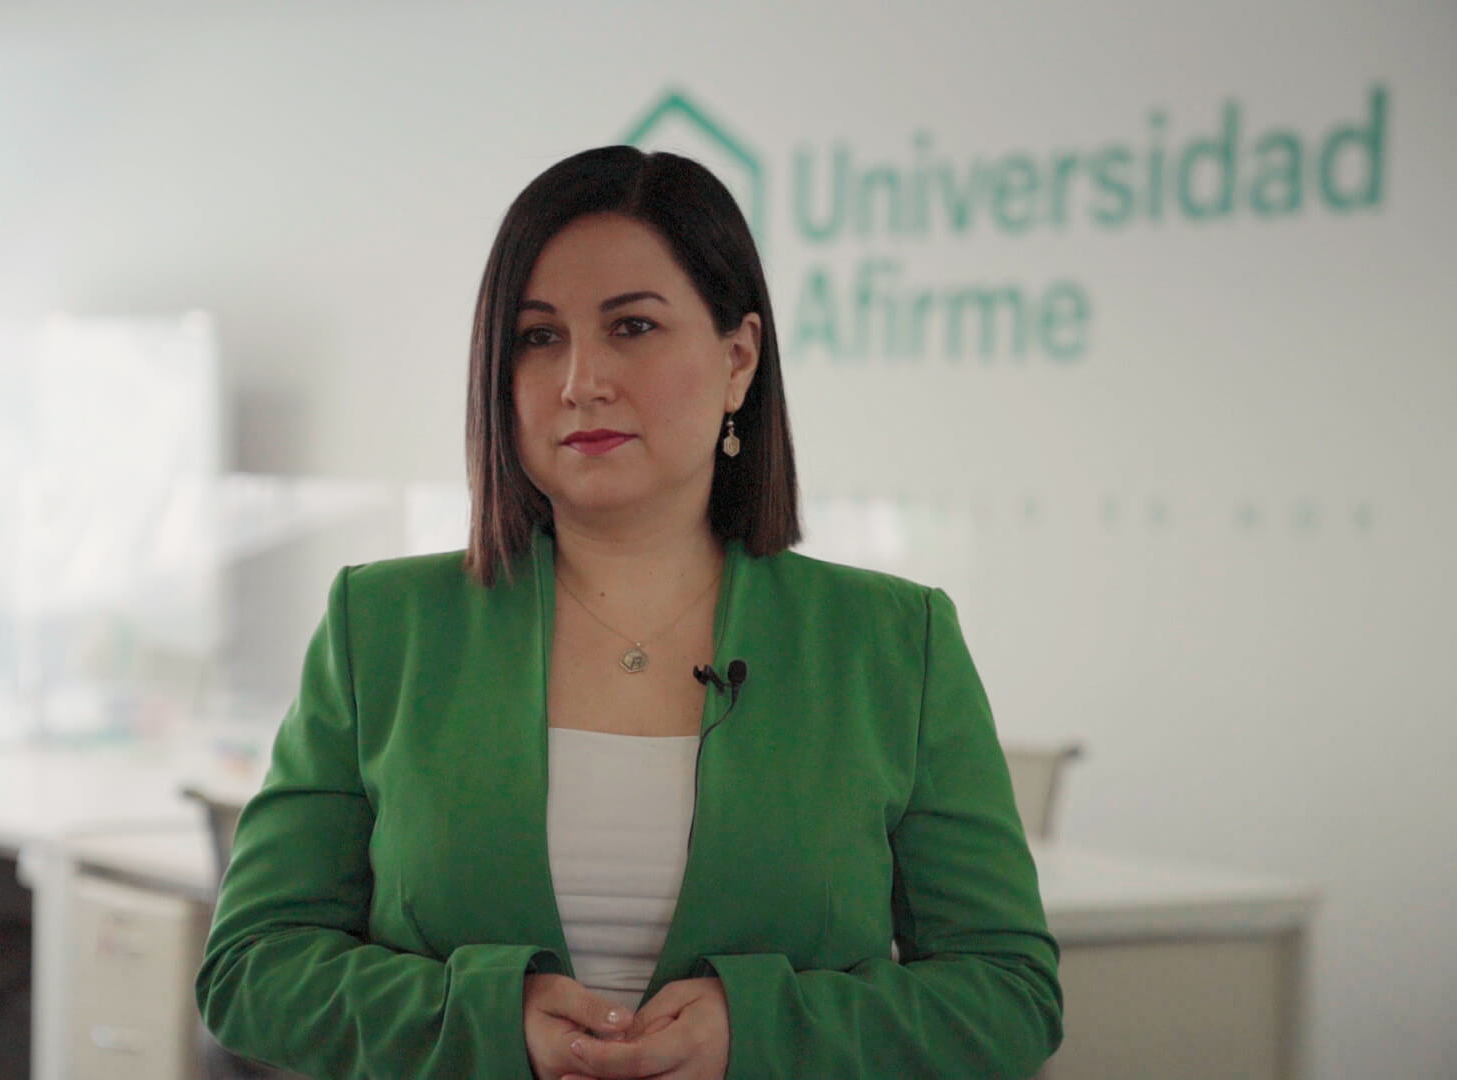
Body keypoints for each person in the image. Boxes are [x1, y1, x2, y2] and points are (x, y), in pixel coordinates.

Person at [195, 146, 1062, 1079]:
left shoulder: (892, 642)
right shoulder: (383, 627)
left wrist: (760, 1030)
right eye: (538, 337)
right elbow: (250, 968)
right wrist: (484, 1017)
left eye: (633, 326)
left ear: (738, 359)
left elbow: (1008, 996)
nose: (581, 380)